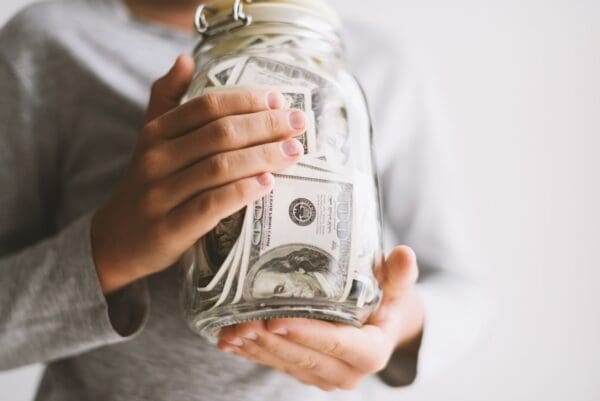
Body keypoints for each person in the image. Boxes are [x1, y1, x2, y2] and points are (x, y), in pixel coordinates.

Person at [0, 0, 490, 399]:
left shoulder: (381, 65)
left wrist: (397, 327)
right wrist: (109, 250)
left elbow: (464, 289)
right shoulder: (47, 42)